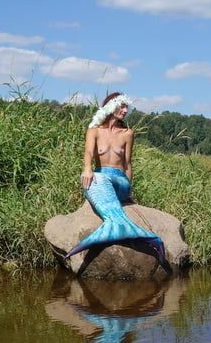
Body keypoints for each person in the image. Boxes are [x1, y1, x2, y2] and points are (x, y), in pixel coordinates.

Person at [64, 92, 166, 263]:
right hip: (100, 176)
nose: (125, 110)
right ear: (111, 106)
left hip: (120, 181)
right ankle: (121, 227)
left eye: (127, 107)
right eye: (122, 106)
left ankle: (113, 228)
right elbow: (88, 152)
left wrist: (129, 190)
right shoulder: (94, 131)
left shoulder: (127, 133)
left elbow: (128, 163)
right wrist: (87, 169)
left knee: (99, 180)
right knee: (95, 179)